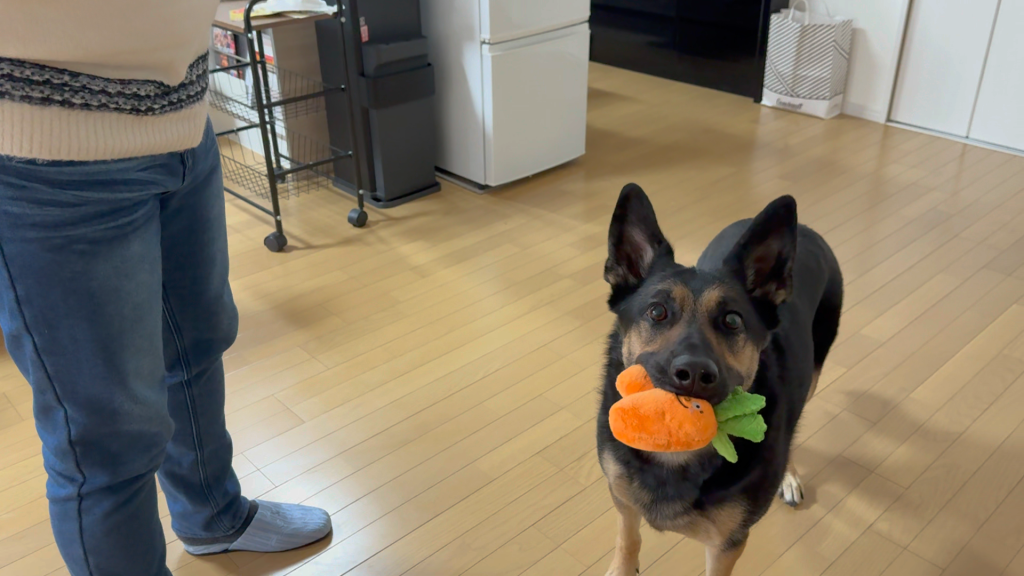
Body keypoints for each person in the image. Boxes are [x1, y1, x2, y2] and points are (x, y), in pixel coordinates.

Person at [0, 2, 333, 574]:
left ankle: (214, 517)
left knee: (196, 344)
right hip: (44, 149)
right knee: (103, 433)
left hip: (183, 115)